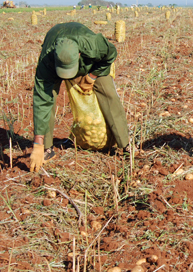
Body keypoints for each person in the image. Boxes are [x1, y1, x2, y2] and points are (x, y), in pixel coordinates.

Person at [30, 22, 130, 172]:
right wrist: (38, 143)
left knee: (108, 93)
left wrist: (92, 76)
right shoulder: (47, 60)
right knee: (47, 100)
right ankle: (46, 149)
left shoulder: (93, 44)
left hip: (91, 64)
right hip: (55, 61)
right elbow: (41, 100)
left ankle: (125, 144)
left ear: (79, 55)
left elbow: (111, 54)